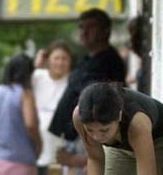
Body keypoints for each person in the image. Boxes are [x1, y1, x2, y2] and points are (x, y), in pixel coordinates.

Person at [47, 8, 127, 142]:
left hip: (89, 139)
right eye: (81, 27)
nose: (84, 32)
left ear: (105, 31)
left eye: (90, 27)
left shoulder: (109, 61)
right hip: (70, 139)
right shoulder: (86, 60)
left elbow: (98, 104)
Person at [31, 39, 74, 175]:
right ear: (49, 59)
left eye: (64, 58)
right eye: (57, 58)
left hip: (62, 148)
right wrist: (37, 64)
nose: (60, 62)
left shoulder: (72, 81)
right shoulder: (37, 76)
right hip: (38, 147)